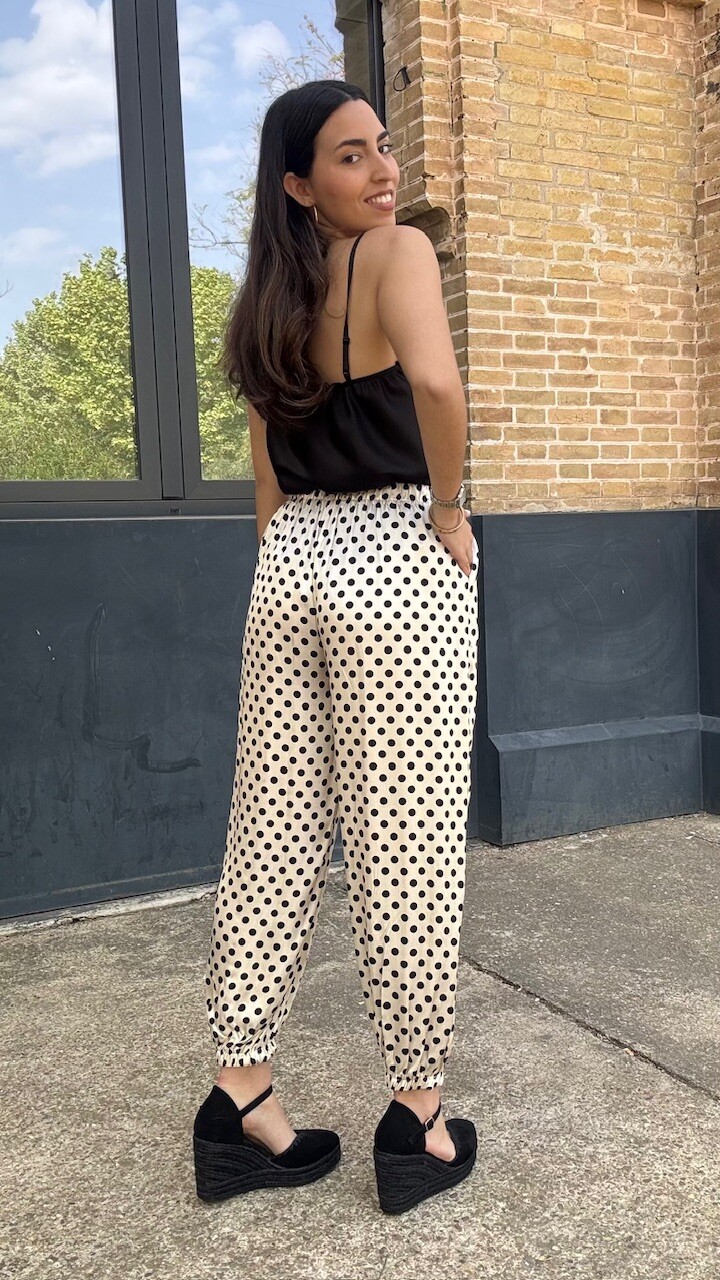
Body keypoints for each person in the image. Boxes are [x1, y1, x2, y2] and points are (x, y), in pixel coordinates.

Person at [192, 79, 480, 1216]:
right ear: (301, 185)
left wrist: (284, 550)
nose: (384, 171)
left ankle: (241, 1099)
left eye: (384, 147)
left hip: (292, 564)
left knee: (271, 831)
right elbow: (436, 383)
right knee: (405, 839)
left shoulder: (269, 293)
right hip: (398, 557)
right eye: (351, 156)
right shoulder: (397, 253)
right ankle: (417, 1118)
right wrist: (448, 508)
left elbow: (266, 462)